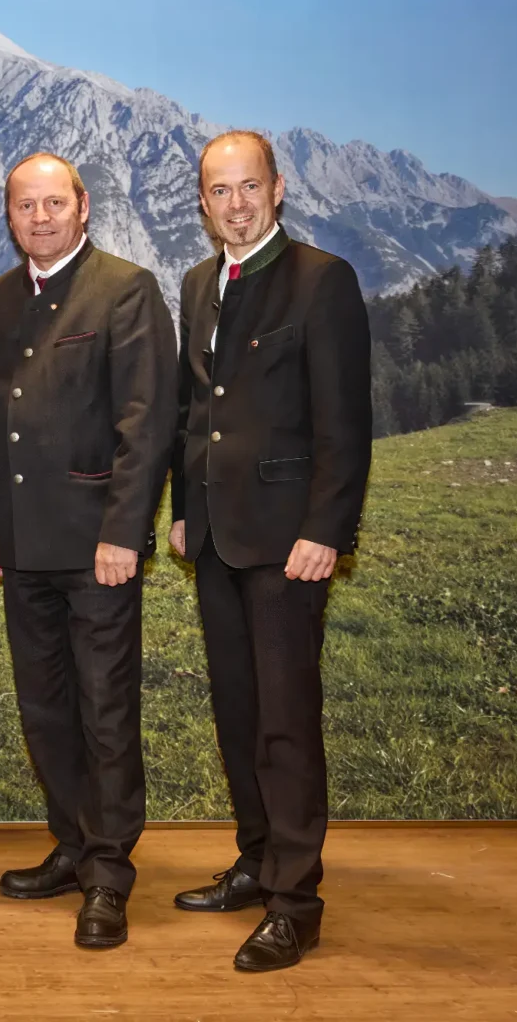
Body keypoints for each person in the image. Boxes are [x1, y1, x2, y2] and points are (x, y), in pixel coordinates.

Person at [168, 130, 372, 971]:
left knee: (286, 724)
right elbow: (193, 410)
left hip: (291, 542)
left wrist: (326, 529)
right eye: (220, 191)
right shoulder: (197, 285)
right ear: (204, 201)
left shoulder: (322, 281)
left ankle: (296, 900)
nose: (236, 204)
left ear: (278, 189)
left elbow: (345, 422)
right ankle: (256, 861)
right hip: (216, 536)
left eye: (249, 187)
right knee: (238, 712)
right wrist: (184, 511)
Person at [0, 153, 176, 949]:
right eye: (27, 205)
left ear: (83, 207)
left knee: (106, 712)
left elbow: (146, 423)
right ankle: (72, 844)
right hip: (20, 543)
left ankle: (111, 874)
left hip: (98, 548)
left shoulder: (125, 288)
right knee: (46, 709)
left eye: (56, 203)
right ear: (10, 215)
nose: (43, 217)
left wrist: (124, 532)